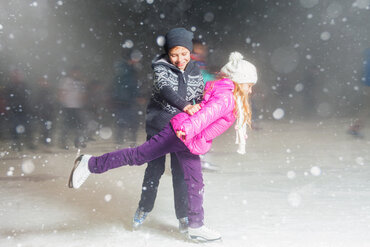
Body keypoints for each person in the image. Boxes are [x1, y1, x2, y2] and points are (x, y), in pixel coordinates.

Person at [68, 51, 258, 242]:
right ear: (238, 82)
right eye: (249, 86)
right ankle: (89, 163)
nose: (250, 91)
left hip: (190, 140)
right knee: (138, 156)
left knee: (195, 181)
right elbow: (205, 116)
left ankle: (196, 225)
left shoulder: (226, 94)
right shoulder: (227, 98)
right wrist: (187, 129)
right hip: (181, 134)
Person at [134, 28, 205, 232]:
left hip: (182, 131)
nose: (180, 59)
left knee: (180, 174)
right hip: (159, 128)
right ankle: (144, 207)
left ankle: (183, 216)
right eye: (174, 54)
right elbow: (165, 89)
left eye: (184, 53)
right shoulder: (161, 66)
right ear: (168, 53)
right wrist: (185, 106)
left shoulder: (195, 70)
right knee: (153, 171)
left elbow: (200, 96)